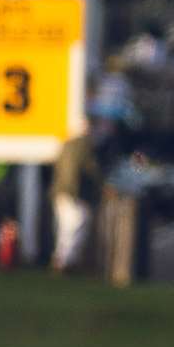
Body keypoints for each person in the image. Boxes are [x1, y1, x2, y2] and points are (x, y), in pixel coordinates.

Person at [53, 117, 109, 273]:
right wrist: (102, 185)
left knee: (65, 227)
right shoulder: (84, 145)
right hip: (74, 192)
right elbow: (91, 168)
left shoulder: (66, 144)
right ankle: (67, 262)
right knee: (76, 225)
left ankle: (62, 259)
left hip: (61, 190)